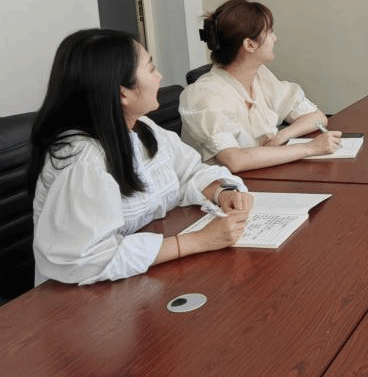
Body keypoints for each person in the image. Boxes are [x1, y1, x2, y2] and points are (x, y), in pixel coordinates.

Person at [29, 29, 253, 286]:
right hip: (82, 299)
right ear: (122, 93)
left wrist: (222, 192)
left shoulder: (140, 127)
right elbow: (87, 260)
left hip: (139, 280)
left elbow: (189, 172)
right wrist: (199, 240)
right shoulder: (83, 160)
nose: (160, 76)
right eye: (151, 69)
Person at [179, 0, 342, 172]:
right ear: (249, 45)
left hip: (261, 176)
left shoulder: (259, 75)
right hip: (225, 186)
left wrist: (282, 136)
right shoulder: (203, 95)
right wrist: (311, 148)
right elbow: (234, 161)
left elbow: (316, 117)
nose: (275, 38)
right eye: (269, 32)